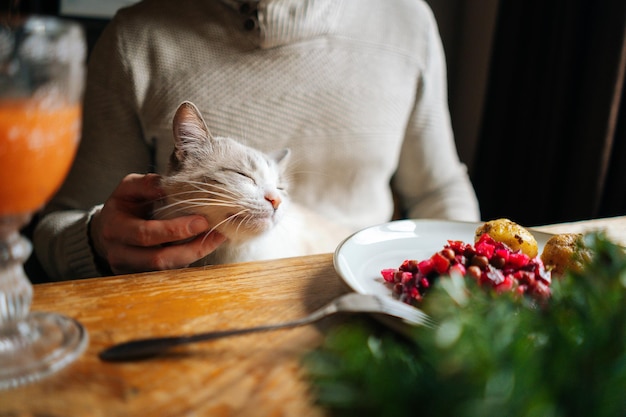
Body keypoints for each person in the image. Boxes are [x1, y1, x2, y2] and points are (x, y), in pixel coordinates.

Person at [34, 0, 480, 281]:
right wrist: (95, 238)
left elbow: (440, 192)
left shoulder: (408, 20)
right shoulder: (137, 39)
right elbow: (53, 226)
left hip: (374, 290)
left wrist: (466, 276)